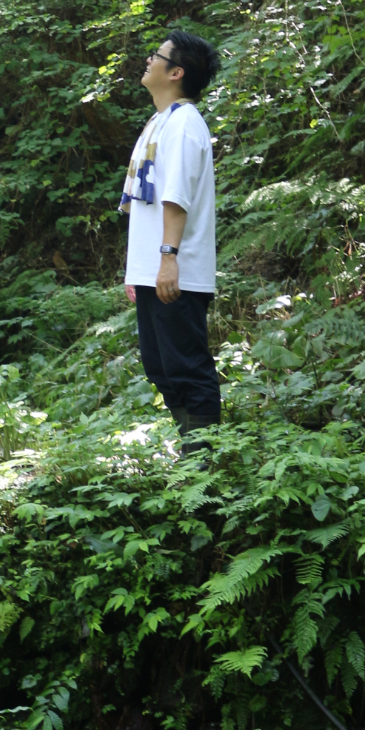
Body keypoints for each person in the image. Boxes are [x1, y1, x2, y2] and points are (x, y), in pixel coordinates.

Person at [119, 29, 221, 450]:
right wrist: (137, 271)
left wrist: (167, 258)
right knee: (161, 368)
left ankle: (206, 462)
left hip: (175, 270)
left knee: (186, 367)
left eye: (155, 56)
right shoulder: (160, 121)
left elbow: (175, 197)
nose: (148, 60)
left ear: (176, 72)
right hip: (154, 271)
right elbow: (144, 203)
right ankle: (192, 454)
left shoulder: (183, 124)